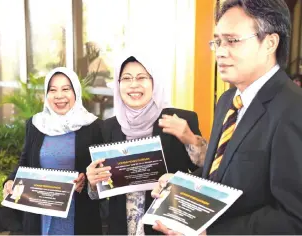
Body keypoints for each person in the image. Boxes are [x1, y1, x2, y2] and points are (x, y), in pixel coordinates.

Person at [152, 0, 302, 234]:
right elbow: (219, 173)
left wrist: (211, 233)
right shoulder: (227, 101)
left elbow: (294, 216)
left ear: (270, 43)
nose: (221, 52)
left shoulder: (294, 108)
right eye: (218, 42)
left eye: (232, 41)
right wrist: (181, 187)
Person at [86, 52, 208, 235]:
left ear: (154, 82)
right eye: (126, 78)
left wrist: (190, 137)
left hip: (166, 228)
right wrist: (93, 183)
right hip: (121, 229)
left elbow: (209, 166)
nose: (134, 84)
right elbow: (100, 192)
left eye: (142, 77)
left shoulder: (179, 119)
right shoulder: (109, 127)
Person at [2, 67, 103, 235]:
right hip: (39, 215)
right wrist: (10, 181)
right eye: (53, 90)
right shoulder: (35, 124)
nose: (59, 96)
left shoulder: (94, 127)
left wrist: (86, 182)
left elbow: (101, 175)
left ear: (75, 92)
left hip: (78, 216)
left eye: (66, 89)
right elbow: (25, 161)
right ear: (46, 94)